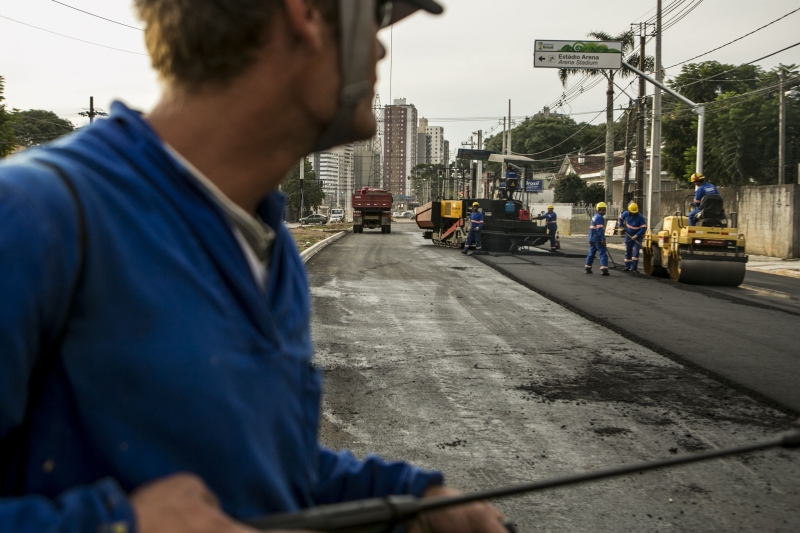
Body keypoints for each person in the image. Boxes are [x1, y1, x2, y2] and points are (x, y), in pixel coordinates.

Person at [0, 1, 507, 532]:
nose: (380, 47)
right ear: (305, 13)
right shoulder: (34, 219)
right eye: (374, 17)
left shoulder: (265, 239)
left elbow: (259, 471)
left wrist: (407, 500)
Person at [618, 203, 647, 273]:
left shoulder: (640, 217)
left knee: (636, 251)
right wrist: (621, 225)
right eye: (632, 212)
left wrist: (637, 235)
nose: (633, 214)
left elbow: (643, 228)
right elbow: (620, 218)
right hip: (628, 235)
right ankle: (627, 266)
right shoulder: (626, 214)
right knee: (628, 250)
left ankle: (634, 268)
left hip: (637, 236)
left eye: (634, 213)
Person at [586, 202, 609, 276]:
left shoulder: (595, 216)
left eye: (604, 210)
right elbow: (600, 229)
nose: (603, 212)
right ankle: (604, 269)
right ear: (598, 210)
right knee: (602, 253)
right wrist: (603, 239)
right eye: (602, 210)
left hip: (591, 238)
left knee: (591, 253)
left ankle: (588, 267)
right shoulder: (599, 218)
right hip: (597, 238)